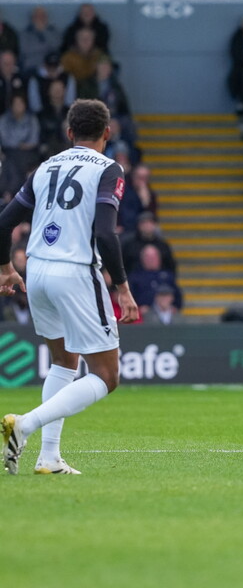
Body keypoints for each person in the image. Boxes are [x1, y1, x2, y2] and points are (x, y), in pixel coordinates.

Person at [0, 99, 139, 475]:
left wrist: (6, 269)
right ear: (107, 133)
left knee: (64, 362)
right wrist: (122, 288)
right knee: (107, 376)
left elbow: (3, 223)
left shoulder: (45, 167)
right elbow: (106, 235)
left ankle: (48, 458)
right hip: (75, 271)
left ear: (69, 133)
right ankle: (24, 424)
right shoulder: (110, 169)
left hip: (38, 272)